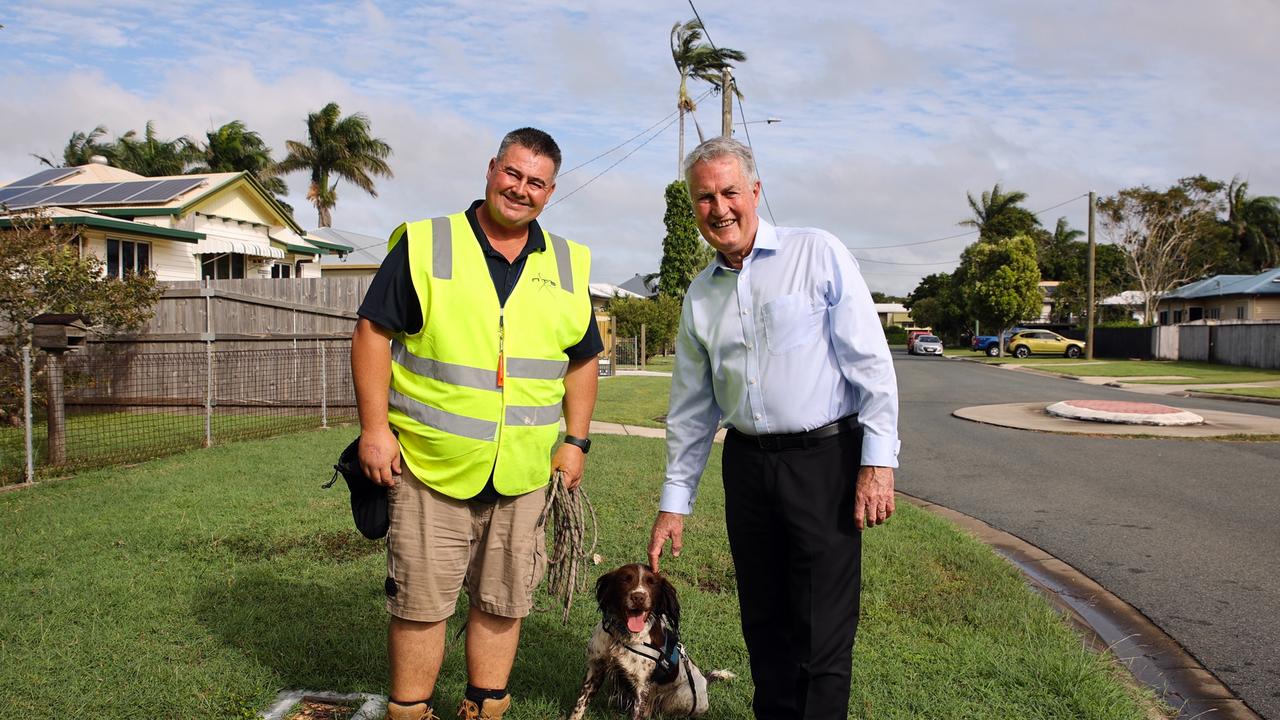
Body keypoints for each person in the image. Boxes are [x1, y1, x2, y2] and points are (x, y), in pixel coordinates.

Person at [352, 127, 601, 720]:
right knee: (420, 601)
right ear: (491, 169)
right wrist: (374, 430)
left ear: (551, 191)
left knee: (504, 599)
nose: (521, 189)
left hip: (523, 472)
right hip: (429, 466)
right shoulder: (425, 244)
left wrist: (577, 440)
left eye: (535, 182)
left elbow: (583, 358)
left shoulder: (568, 263)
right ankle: (409, 710)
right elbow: (371, 334)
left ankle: (485, 708)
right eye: (512, 174)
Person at [647, 137, 900, 720]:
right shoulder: (699, 296)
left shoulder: (818, 254)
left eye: (730, 192)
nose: (720, 208)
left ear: (756, 191)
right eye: (705, 198)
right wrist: (673, 504)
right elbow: (691, 409)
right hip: (748, 466)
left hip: (824, 463)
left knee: (822, 634)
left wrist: (877, 462)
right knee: (764, 626)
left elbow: (872, 367)